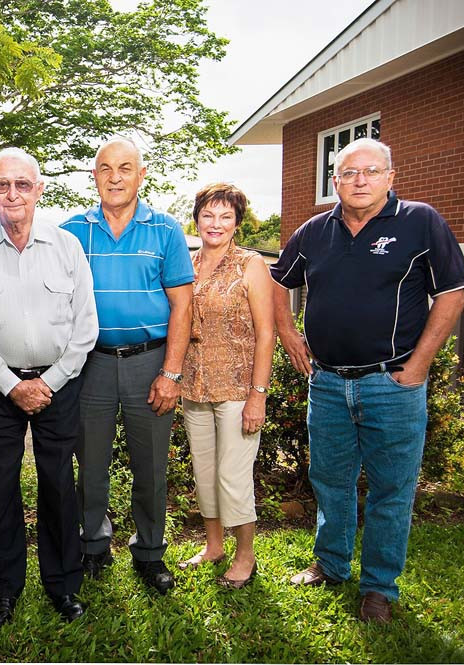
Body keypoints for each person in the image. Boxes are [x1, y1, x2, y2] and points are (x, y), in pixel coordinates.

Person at [271, 138, 464, 623]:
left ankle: (379, 587)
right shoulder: (315, 231)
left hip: (392, 385)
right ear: (333, 181)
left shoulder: (421, 222)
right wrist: (287, 333)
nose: (359, 181)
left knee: (391, 490)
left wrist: (420, 363)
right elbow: (278, 281)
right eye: (348, 173)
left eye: (370, 171)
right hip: (330, 384)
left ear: (390, 177)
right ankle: (332, 564)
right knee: (330, 480)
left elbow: (453, 292)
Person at [0, 147, 98, 627]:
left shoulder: (67, 247)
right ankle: (5, 590)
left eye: (21, 184)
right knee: (1, 488)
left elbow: (86, 329)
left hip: (60, 383)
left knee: (59, 485)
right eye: (1, 185)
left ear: (39, 190)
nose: (11, 193)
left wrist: (48, 382)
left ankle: (63, 586)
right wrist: (13, 386)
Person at [61, 137, 193, 593]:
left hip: (150, 362)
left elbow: (182, 306)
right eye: (104, 168)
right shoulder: (72, 230)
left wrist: (171, 373)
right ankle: (93, 547)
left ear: (141, 175)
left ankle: (150, 553)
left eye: (125, 168)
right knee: (90, 464)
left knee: (151, 466)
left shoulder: (166, 230)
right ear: (93, 176)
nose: (114, 177)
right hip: (89, 365)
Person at [177, 183, 274, 589]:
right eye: (208, 216)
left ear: (237, 222)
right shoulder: (186, 262)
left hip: (237, 389)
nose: (215, 224)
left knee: (233, 476)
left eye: (225, 217)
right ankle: (213, 545)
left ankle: (246, 557)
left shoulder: (251, 265)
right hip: (194, 385)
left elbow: (266, 333)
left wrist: (258, 395)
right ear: (197, 218)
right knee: (205, 473)